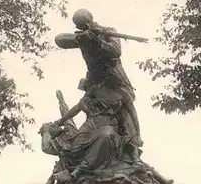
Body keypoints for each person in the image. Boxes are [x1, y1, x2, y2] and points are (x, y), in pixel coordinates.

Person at [55, 8, 143, 148]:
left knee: (124, 115)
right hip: (95, 84)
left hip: (114, 80)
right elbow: (59, 39)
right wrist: (80, 37)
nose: (87, 26)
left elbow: (115, 51)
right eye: (82, 25)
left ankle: (131, 148)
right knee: (94, 117)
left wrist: (96, 40)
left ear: (91, 17)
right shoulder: (83, 36)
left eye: (87, 22)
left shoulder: (108, 31)